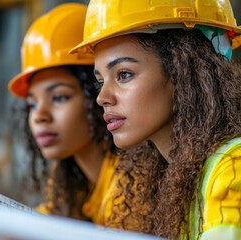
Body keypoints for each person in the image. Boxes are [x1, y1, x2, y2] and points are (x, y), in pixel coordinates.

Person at [70, 0, 241, 239]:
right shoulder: (170, 174)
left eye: (124, 75)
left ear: (183, 71)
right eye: (101, 81)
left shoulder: (232, 169)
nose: (102, 98)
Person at [8, 3, 123, 224]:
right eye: (32, 104)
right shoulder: (69, 179)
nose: (39, 116)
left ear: (98, 95)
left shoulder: (134, 182)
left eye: (59, 97)